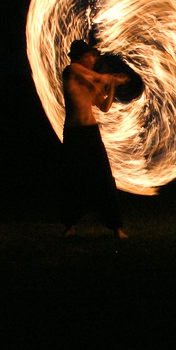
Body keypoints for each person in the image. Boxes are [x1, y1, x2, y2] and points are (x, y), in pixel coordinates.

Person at [60, 39, 130, 239]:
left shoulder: (93, 82)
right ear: (78, 58)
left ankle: (116, 227)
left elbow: (104, 107)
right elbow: (95, 76)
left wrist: (113, 86)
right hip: (74, 134)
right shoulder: (71, 71)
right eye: (86, 56)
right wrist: (107, 78)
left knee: (104, 178)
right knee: (74, 178)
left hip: (91, 133)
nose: (91, 59)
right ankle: (69, 225)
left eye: (93, 55)